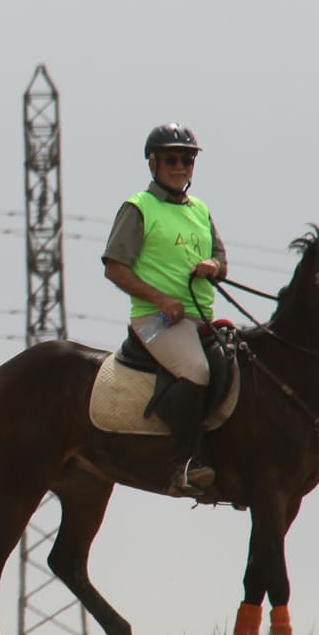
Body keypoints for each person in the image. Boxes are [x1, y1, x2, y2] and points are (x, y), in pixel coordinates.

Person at [100, 123, 229, 496]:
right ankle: (182, 466)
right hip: (156, 320)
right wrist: (161, 300)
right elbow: (114, 267)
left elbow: (222, 261)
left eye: (187, 159)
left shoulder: (201, 210)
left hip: (200, 320)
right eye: (171, 159)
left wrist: (214, 267)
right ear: (153, 163)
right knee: (197, 371)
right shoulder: (139, 207)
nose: (180, 166)